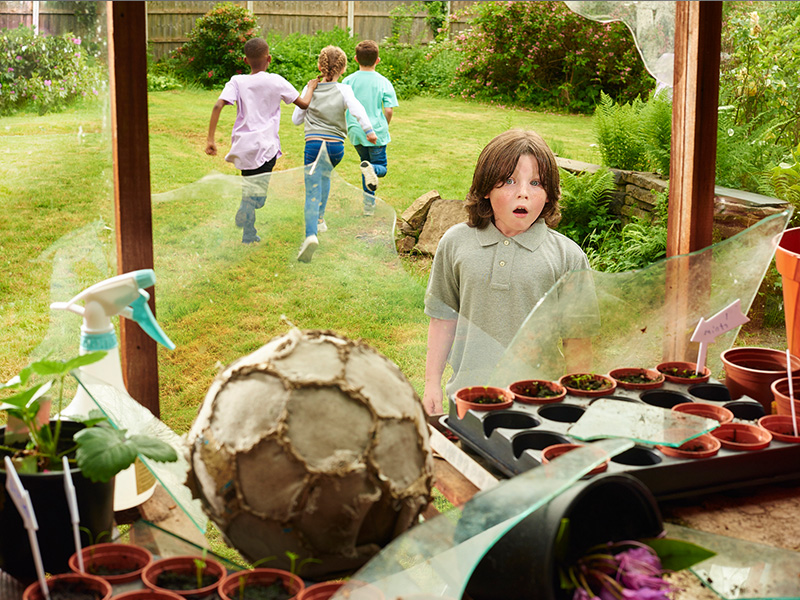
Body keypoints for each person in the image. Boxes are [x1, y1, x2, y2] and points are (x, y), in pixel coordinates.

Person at [422, 129, 593, 415]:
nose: (523, 192)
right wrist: (431, 384)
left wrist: (580, 401)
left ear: (549, 195)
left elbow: (577, 340)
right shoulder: (455, 243)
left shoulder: (569, 257)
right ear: (486, 188)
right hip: (466, 402)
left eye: (536, 182)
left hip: (539, 407)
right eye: (510, 180)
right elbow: (442, 319)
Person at [206, 37, 314, 244]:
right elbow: (304, 104)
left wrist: (210, 139)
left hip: (244, 147)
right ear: (269, 58)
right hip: (266, 147)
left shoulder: (237, 81)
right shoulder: (276, 80)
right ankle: (245, 210)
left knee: (249, 188)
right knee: (258, 197)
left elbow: (217, 106)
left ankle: (248, 234)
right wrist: (310, 87)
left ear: (245, 60)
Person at [292, 46, 377, 263]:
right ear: (343, 68)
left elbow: (296, 119)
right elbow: (357, 109)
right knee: (325, 176)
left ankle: (310, 235)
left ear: (319, 67)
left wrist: (309, 95)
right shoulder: (344, 89)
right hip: (335, 148)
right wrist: (369, 131)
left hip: (313, 145)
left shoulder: (309, 88)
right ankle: (320, 219)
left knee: (312, 187)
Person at [342, 40, 398, 216]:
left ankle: (368, 207)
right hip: (376, 132)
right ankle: (372, 173)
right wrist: (385, 125)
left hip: (356, 131)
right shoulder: (383, 82)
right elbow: (388, 109)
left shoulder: (348, 81)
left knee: (365, 167)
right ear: (378, 60)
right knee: (379, 167)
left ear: (356, 59)